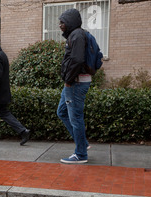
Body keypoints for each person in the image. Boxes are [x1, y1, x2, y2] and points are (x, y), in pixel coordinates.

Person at [56, 8, 91, 164]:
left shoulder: (77, 35)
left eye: (62, 22)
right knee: (61, 111)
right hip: (73, 82)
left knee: (75, 118)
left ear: (69, 22)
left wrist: (69, 80)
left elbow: (77, 60)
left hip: (75, 83)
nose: (60, 25)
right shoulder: (75, 35)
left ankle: (81, 154)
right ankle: (82, 143)